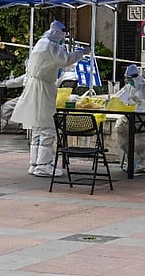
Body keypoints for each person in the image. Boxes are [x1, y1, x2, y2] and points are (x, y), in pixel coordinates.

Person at [10, 20, 87, 178]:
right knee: (47, 128)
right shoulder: (50, 46)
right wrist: (82, 52)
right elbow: (65, 60)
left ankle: (35, 163)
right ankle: (43, 165)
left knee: (38, 127)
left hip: (35, 87)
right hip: (43, 88)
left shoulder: (41, 43)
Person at [113, 64, 145, 173]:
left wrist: (141, 103)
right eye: (127, 78)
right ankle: (132, 161)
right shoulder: (129, 87)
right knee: (120, 131)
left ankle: (139, 164)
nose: (129, 81)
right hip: (130, 118)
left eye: (130, 79)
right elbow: (119, 97)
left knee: (138, 143)